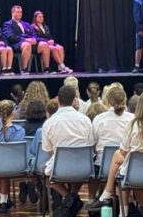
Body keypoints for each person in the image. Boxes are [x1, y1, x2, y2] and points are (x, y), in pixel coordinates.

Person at [87, 90, 143, 217]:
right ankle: (141, 207)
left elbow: (123, 150)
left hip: (135, 172)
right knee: (127, 166)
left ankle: (117, 205)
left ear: (140, 105)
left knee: (120, 159)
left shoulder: (133, 125)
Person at [42, 85, 94, 217]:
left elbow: (49, 151)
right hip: (84, 167)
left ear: (58, 100)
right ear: (75, 100)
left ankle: (69, 198)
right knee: (79, 171)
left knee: (46, 172)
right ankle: (72, 197)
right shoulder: (85, 120)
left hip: (59, 167)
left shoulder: (49, 122)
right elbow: (91, 145)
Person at [0, 100, 26, 214]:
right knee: (3, 166)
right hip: (16, 166)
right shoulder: (20, 131)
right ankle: (4, 201)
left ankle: (4, 199)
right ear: (12, 113)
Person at [3, 5, 52, 74]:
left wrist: (34, 39)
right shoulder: (8, 24)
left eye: (21, 12)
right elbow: (10, 36)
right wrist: (25, 40)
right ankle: (24, 68)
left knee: (44, 44)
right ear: (13, 13)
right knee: (27, 45)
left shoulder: (26, 24)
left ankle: (46, 68)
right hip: (17, 44)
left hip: (30, 43)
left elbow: (33, 34)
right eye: (18, 12)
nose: (20, 14)